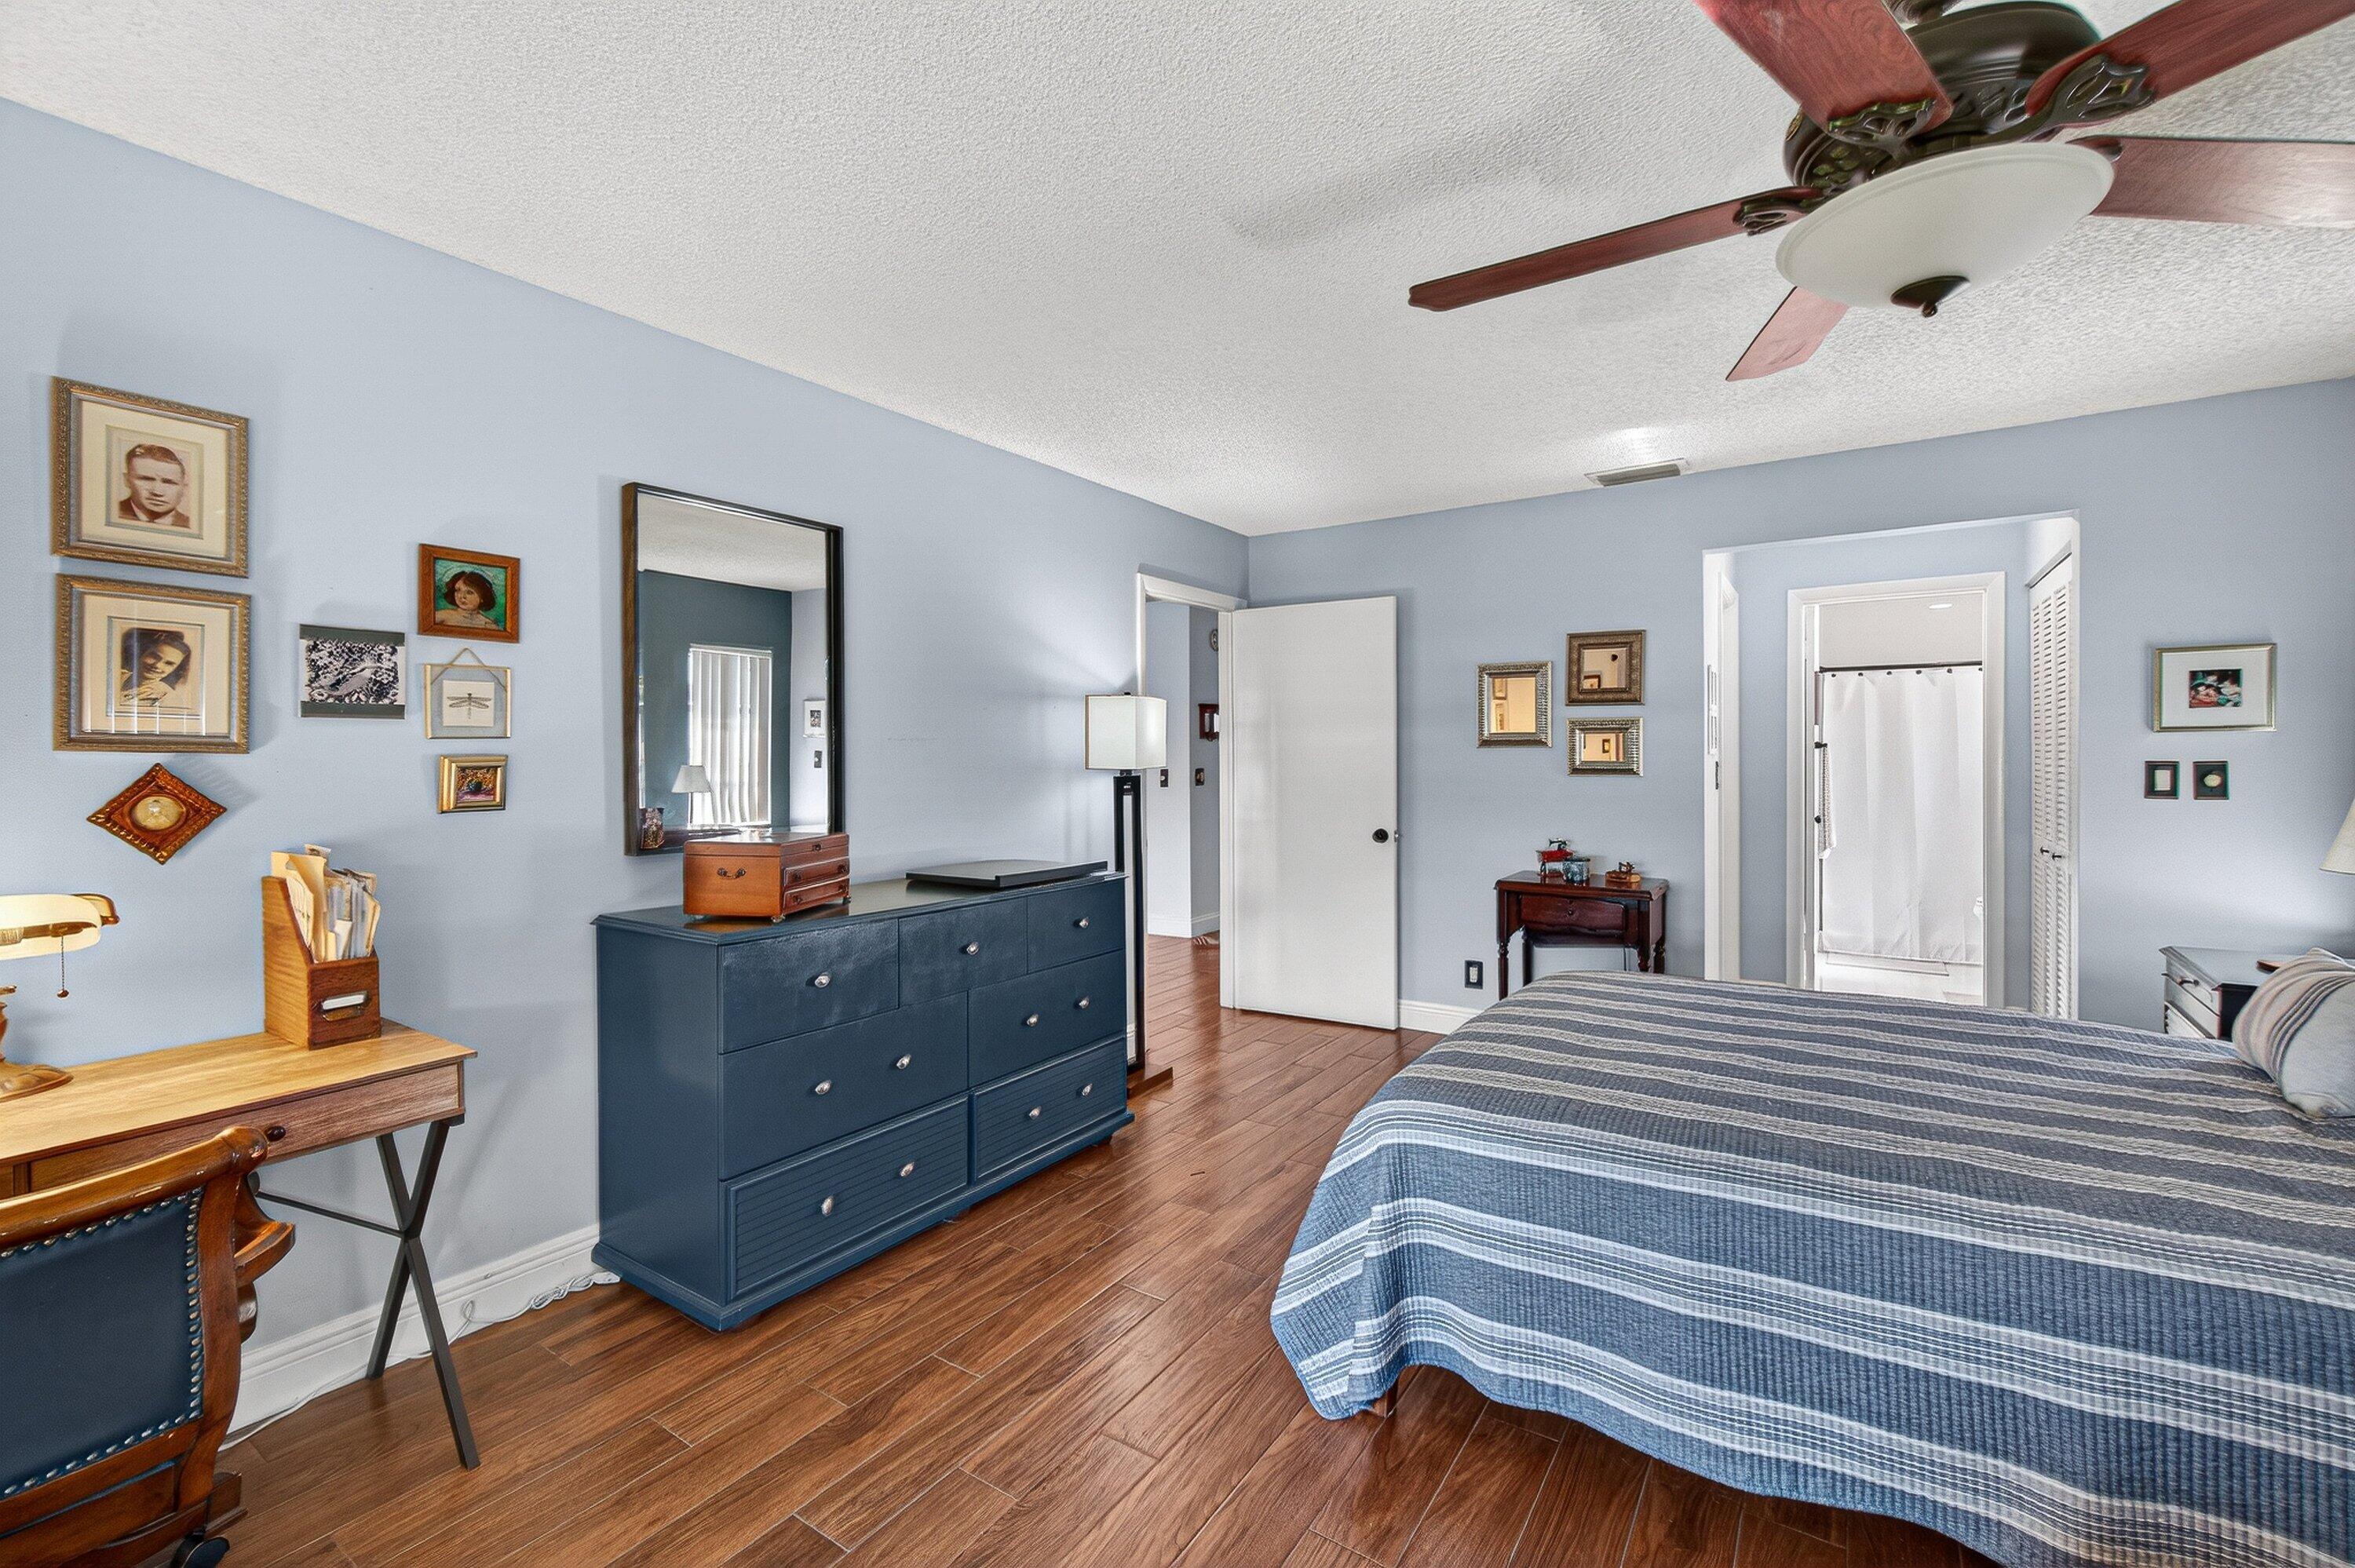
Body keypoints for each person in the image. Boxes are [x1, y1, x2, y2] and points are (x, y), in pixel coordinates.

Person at [115, 443, 193, 531]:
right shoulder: (108, 513)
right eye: (146, 479)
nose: (157, 492)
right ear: (127, 480)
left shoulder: (192, 525)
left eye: (169, 482)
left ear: (184, 487)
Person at [117, 627, 193, 707]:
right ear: (143, 653)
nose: (157, 665)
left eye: (169, 664)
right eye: (154, 657)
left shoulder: (167, 698)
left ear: (174, 669)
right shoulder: (119, 676)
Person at [435, 568, 502, 630]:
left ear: (483, 597)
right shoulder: (442, 616)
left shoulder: (489, 625)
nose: (462, 596)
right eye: (458, 590)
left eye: (469, 592)